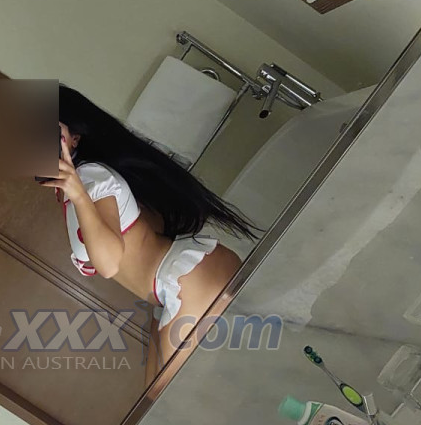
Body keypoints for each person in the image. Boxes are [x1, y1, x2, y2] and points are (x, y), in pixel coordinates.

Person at [41, 85, 259, 386]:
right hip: (173, 286)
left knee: (169, 398)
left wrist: (78, 193)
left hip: (185, 280)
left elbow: (109, 264)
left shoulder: (89, 178)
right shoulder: (80, 183)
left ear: (74, 137)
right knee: (156, 396)